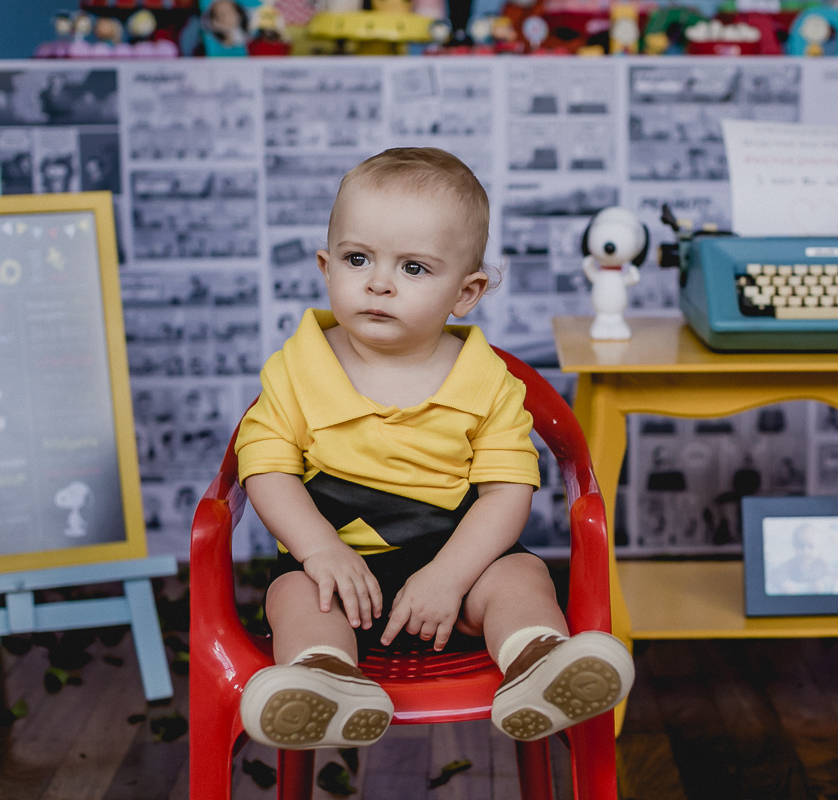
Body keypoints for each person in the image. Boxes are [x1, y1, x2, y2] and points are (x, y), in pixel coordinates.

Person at [235, 147, 633, 750]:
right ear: (325, 266)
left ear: (466, 291)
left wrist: (449, 576)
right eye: (357, 258)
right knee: (291, 595)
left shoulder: (489, 384)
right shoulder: (296, 370)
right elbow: (263, 465)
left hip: (461, 571)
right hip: (339, 574)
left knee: (521, 576)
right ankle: (326, 678)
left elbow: (506, 492)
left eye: (414, 269)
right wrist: (319, 551)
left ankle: (538, 661)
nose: (378, 282)